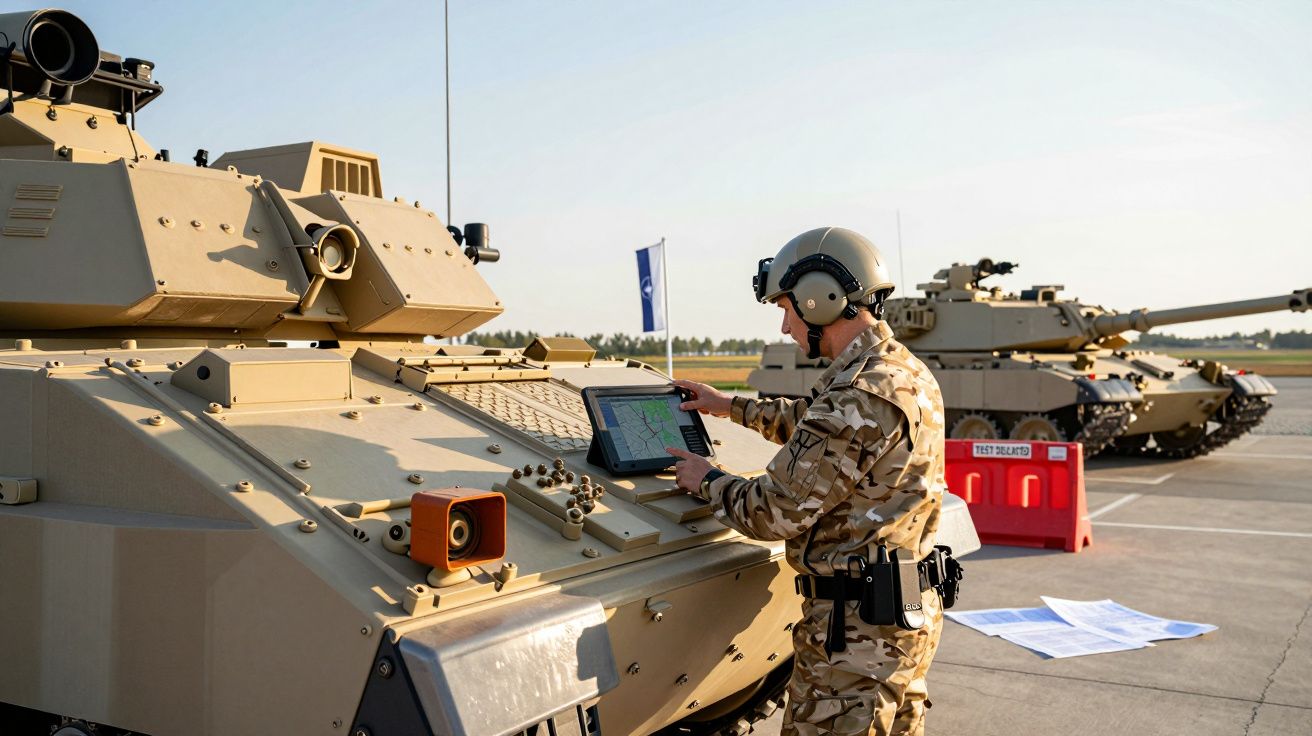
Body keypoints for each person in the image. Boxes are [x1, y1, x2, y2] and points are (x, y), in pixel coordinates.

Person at [666, 227, 949, 736]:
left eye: (787, 308)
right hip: (900, 618)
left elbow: (773, 511)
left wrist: (706, 480)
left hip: (855, 642)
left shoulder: (857, 394)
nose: (784, 326)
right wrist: (729, 406)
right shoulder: (899, 371)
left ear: (821, 299)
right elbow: (821, 426)